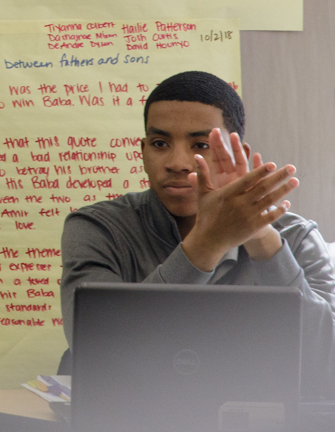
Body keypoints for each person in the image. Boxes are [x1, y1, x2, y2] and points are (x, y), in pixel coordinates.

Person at [59, 70, 335, 395]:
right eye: (160, 143)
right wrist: (207, 243)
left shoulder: (296, 237)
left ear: (239, 154)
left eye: (201, 144)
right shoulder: (98, 229)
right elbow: (99, 352)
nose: (178, 162)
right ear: (143, 151)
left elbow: (325, 362)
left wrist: (261, 237)